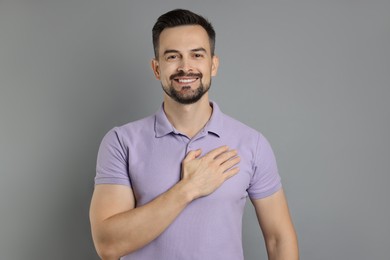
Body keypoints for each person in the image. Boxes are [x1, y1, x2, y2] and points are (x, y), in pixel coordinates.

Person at [90, 9, 299, 260]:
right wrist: (188, 189)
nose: (185, 67)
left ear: (213, 65)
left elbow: (279, 239)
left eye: (197, 55)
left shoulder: (252, 144)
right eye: (172, 56)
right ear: (157, 68)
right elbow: (109, 245)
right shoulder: (121, 142)